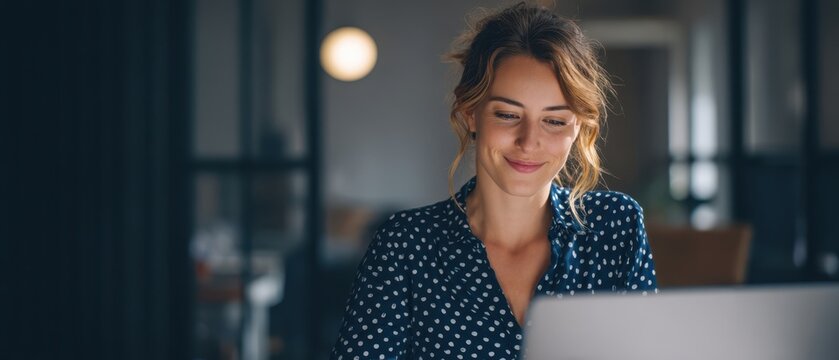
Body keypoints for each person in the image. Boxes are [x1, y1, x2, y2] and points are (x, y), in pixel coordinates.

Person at [330, 2, 657, 359]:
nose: (529, 141)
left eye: (555, 120)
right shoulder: (405, 247)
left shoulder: (616, 227)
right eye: (507, 114)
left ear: (578, 126)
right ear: (470, 113)